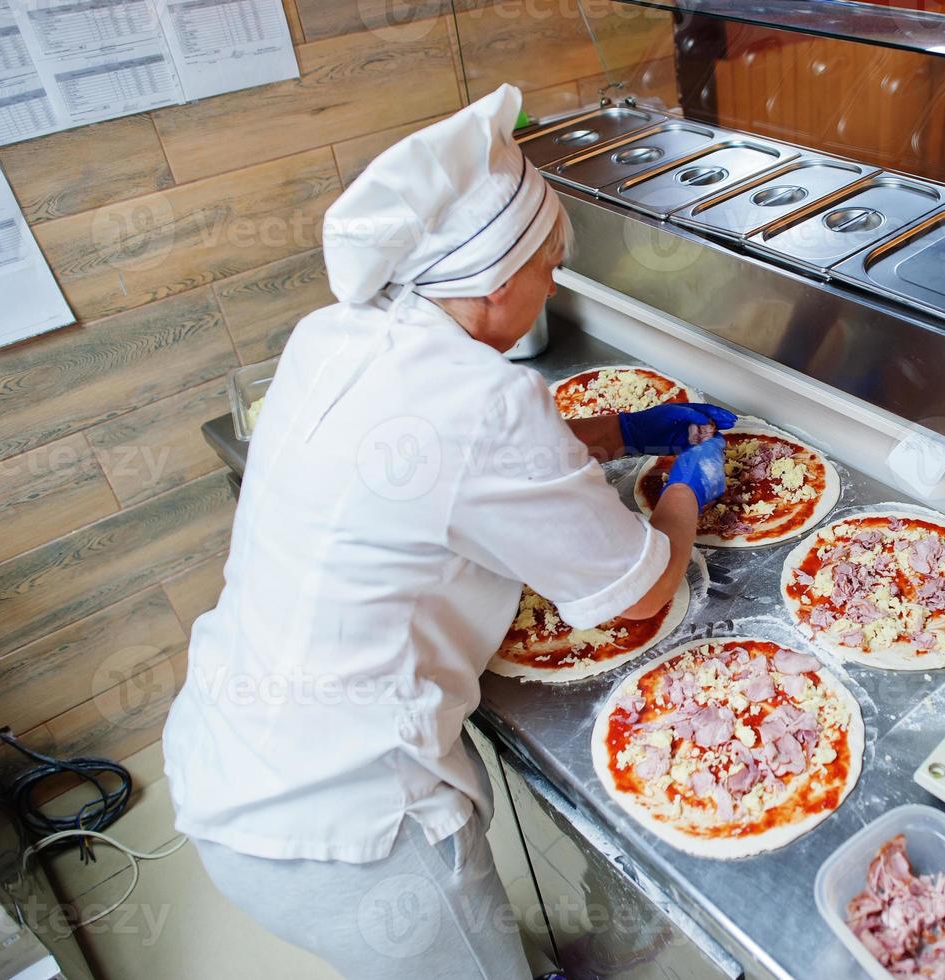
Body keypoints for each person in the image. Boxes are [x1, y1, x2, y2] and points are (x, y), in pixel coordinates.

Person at [161, 85, 733, 979]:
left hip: (231, 752)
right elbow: (644, 584)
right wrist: (686, 490)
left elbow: (451, 469)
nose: (554, 284)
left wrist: (620, 432)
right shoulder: (484, 401)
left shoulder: (334, 334)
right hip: (351, 828)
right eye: (551, 268)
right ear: (502, 283)